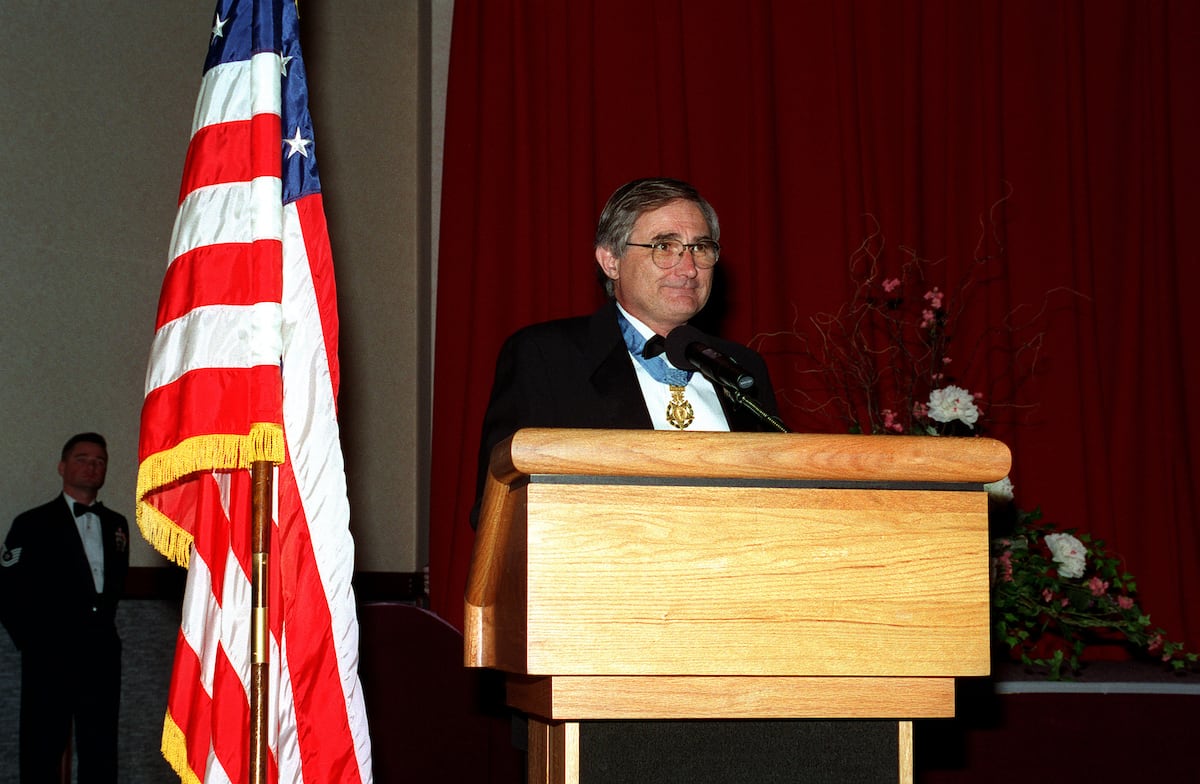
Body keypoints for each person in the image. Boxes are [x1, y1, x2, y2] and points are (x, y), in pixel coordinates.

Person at [473, 177, 782, 516]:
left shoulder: (743, 367)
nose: (689, 268)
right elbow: (500, 508)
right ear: (611, 261)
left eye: (700, 248)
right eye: (664, 247)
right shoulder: (546, 358)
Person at [0, 433, 129, 784]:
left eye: (100, 461)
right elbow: (9, 593)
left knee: (101, 751)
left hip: (101, 657)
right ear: (62, 466)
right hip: (49, 658)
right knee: (41, 750)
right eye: (82, 458)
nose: (92, 466)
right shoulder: (31, 524)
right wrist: (36, 645)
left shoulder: (117, 525)